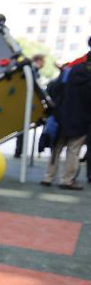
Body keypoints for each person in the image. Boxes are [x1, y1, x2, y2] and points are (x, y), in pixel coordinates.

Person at [42, 39, 91, 190]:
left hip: (62, 115)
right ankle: (67, 180)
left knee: (56, 148)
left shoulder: (71, 71)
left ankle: (48, 177)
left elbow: (55, 89)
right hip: (81, 118)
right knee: (73, 150)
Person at [13, 54, 46, 158]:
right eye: (42, 61)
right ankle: (19, 151)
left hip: (25, 102)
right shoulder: (31, 69)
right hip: (24, 102)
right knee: (22, 128)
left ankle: (19, 150)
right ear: (38, 60)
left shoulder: (33, 70)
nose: (43, 64)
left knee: (22, 129)